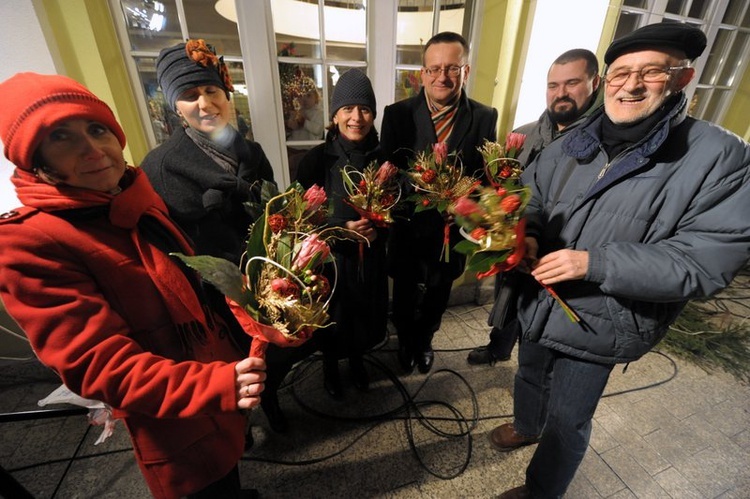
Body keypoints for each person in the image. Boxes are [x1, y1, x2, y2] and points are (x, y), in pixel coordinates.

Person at [490, 23, 750, 499]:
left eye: (651, 72)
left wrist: (594, 263)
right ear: (606, 80)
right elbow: (532, 197)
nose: (631, 85)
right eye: (621, 73)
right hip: (540, 297)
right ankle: (526, 425)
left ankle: (540, 491)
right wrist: (523, 233)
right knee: (528, 372)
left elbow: (704, 262)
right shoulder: (573, 140)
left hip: (605, 318)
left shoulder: (720, 156)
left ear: (682, 78)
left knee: (568, 421)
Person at [0, 72, 266, 499]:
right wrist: (215, 385)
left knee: (231, 479)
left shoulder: (134, 195)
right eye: (62, 137)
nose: (92, 149)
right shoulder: (28, 242)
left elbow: (194, 286)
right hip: (177, 414)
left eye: (97, 129)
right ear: (36, 159)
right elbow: (99, 364)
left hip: (219, 383)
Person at [140, 39, 305, 435]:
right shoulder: (160, 167)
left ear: (226, 93)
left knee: (271, 360)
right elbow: (164, 246)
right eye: (189, 94)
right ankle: (241, 430)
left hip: (263, 280)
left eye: (211, 90)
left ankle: (272, 402)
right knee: (230, 369)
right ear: (174, 105)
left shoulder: (250, 151)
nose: (204, 103)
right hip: (211, 296)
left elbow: (275, 211)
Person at [467, 48, 601, 366]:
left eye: (572, 83)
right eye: (553, 85)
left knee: (544, 323)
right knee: (509, 297)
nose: (561, 93)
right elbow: (499, 186)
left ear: (596, 82)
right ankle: (499, 347)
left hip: (563, 252)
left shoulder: (603, 142)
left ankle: (535, 365)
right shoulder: (524, 135)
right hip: (519, 242)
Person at [380, 31, 498, 374]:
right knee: (403, 292)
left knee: (438, 294)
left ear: (466, 70)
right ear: (422, 72)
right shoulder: (397, 114)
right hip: (408, 229)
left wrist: (466, 202)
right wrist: (429, 191)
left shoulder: (484, 117)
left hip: (451, 233)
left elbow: (485, 177)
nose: (441, 77)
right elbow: (388, 173)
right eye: (433, 69)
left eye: (451, 68)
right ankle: (405, 340)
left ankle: (425, 340)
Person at [296, 69, 388, 397]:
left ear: (373, 114)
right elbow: (298, 220)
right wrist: (340, 229)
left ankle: (357, 359)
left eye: (364, 109)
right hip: (330, 263)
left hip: (369, 261)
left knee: (364, 315)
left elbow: (398, 214)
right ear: (335, 115)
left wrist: (380, 232)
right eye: (348, 109)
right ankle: (331, 366)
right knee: (333, 318)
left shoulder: (383, 160)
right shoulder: (315, 161)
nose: (356, 117)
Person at [286, 75, 325, 141]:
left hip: (309, 147)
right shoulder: (298, 111)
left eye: (308, 96)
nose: (304, 99)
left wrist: (304, 122)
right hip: (294, 145)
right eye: (301, 96)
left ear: (316, 97)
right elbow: (292, 128)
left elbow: (318, 130)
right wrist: (291, 124)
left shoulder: (319, 113)